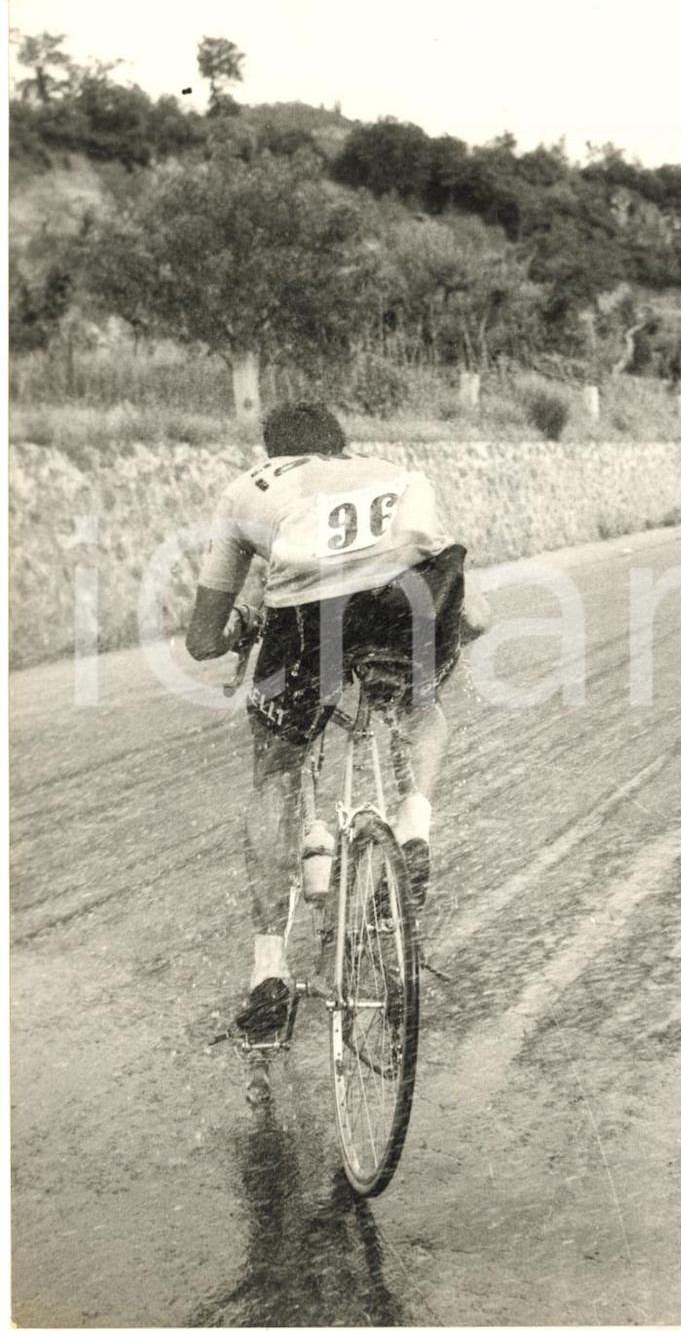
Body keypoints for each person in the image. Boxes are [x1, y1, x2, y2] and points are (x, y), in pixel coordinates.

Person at [186, 402, 490, 1039]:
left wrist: (239, 629)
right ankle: (414, 826)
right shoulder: (397, 475)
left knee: (275, 767)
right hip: (403, 608)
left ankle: (268, 971)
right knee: (422, 709)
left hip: (304, 621)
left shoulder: (250, 487)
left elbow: (202, 638)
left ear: (273, 451)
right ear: (342, 447)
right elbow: (476, 612)